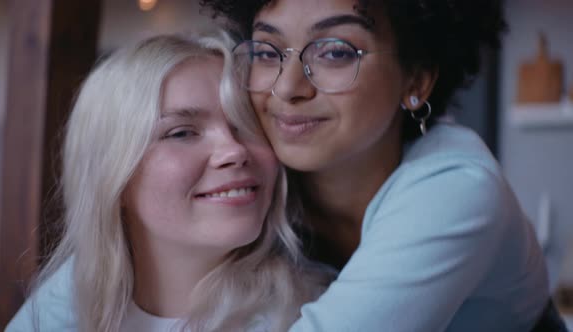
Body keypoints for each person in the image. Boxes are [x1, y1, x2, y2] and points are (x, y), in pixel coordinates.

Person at [198, 0, 558, 331]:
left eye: (335, 53)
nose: (288, 86)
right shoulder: (254, 178)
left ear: (416, 80)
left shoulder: (457, 187)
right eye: (266, 52)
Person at [6, 32, 332, 332]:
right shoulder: (67, 300)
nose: (234, 150)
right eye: (182, 133)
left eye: (246, 125)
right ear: (113, 176)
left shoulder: (319, 314)